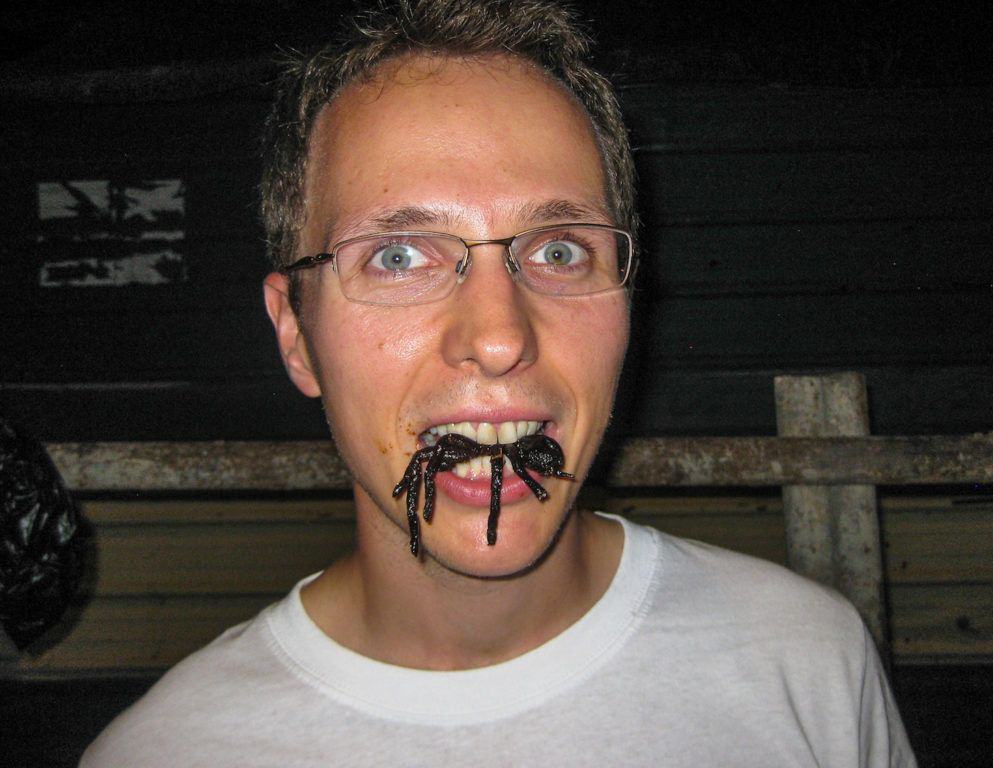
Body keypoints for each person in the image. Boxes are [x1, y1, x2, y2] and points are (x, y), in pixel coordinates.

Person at [82, 1, 916, 765]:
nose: (498, 337)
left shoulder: (808, 667)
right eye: (399, 257)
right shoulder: (164, 753)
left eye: (559, 251)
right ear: (297, 335)